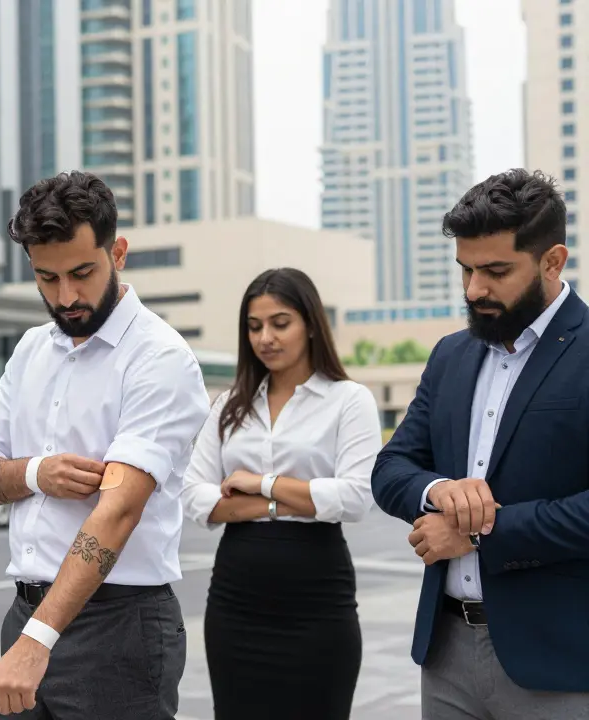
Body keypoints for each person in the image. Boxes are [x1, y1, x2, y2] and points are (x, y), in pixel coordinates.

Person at [0, 171, 210, 719]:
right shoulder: (29, 351)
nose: (65, 296)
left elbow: (116, 512)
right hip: (26, 613)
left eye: (82, 273)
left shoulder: (159, 359)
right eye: (47, 278)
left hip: (118, 630)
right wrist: (34, 473)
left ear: (118, 251)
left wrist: (36, 642)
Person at [372, 169, 589, 718]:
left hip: (559, 661)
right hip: (444, 655)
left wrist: (476, 534)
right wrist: (442, 490)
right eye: (465, 270)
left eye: (495, 271)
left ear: (552, 261)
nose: (474, 290)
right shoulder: (450, 355)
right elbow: (392, 467)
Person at [179, 267, 382, 719]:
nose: (265, 337)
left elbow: (353, 499)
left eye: (279, 323)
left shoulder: (349, 401)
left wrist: (259, 483)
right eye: (254, 326)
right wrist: (283, 502)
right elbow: (195, 498)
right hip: (237, 602)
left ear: (310, 323)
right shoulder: (230, 404)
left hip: (318, 600)